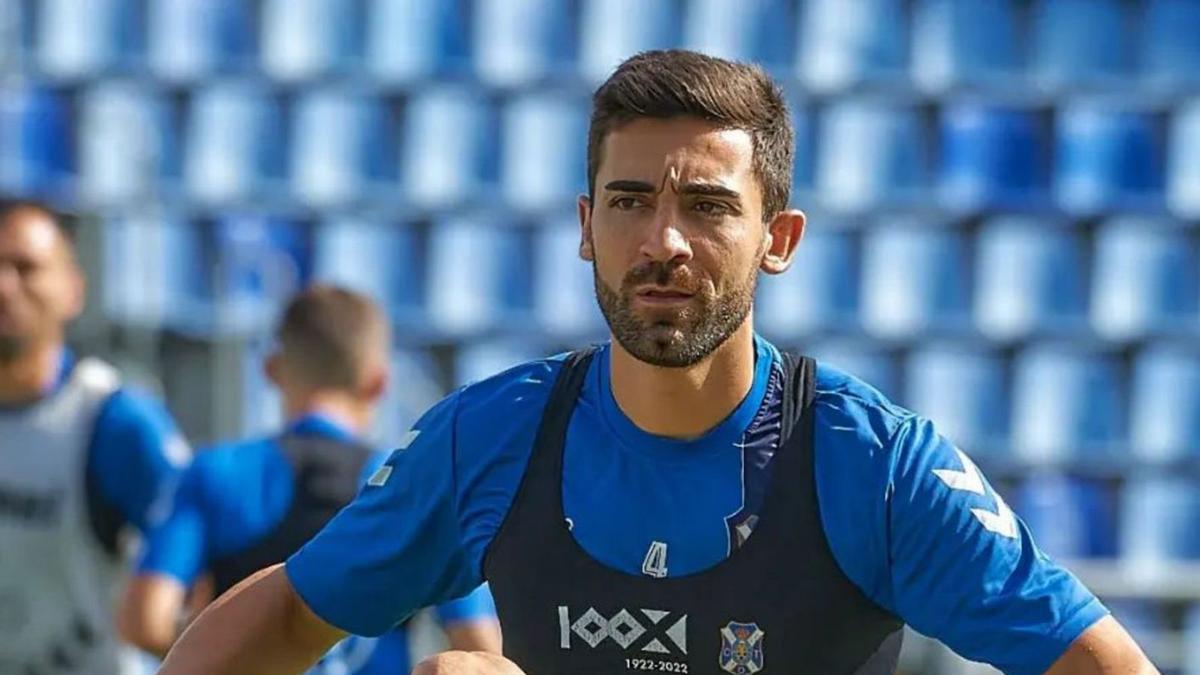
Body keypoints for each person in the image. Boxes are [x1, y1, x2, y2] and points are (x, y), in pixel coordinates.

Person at [159, 50, 1157, 675]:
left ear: (782, 237)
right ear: (587, 229)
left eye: (710, 207)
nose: (664, 242)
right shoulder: (491, 437)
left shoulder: (871, 464)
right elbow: (291, 613)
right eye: (631, 202)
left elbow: (1099, 664)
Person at [118, 285, 501, 672]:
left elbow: (146, 620)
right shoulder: (415, 481)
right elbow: (478, 641)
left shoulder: (216, 472)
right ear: (379, 383)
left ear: (270, 370)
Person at [0, 200, 192, 674]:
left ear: (73, 290)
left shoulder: (113, 423)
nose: (4, 286)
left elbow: (196, 569)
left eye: (26, 268)